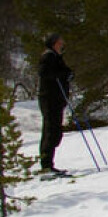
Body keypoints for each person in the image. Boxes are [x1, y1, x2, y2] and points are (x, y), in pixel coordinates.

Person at [37, 33, 73, 175]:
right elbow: (44, 73)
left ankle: (48, 163)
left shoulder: (56, 57)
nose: (62, 44)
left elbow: (64, 71)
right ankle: (46, 165)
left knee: (55, 131)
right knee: (51, 130)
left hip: (57, 98)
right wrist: (62, 74)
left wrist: (68, 74)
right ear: (54, 43)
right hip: (49, 98)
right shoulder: (48, 56)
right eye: (60, 42)